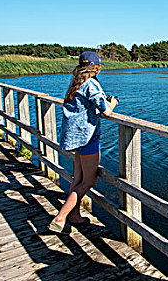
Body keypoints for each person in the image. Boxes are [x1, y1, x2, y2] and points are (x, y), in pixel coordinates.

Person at [49, 51, 118, 233]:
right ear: (96, 67)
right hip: (88, 138)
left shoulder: (75, 83)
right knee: (89, 181)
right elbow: (105, 112)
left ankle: (74, 215)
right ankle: (60, 217)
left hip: (75, 137)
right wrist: (112, 103)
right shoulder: (91, 84)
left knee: (78, 178)